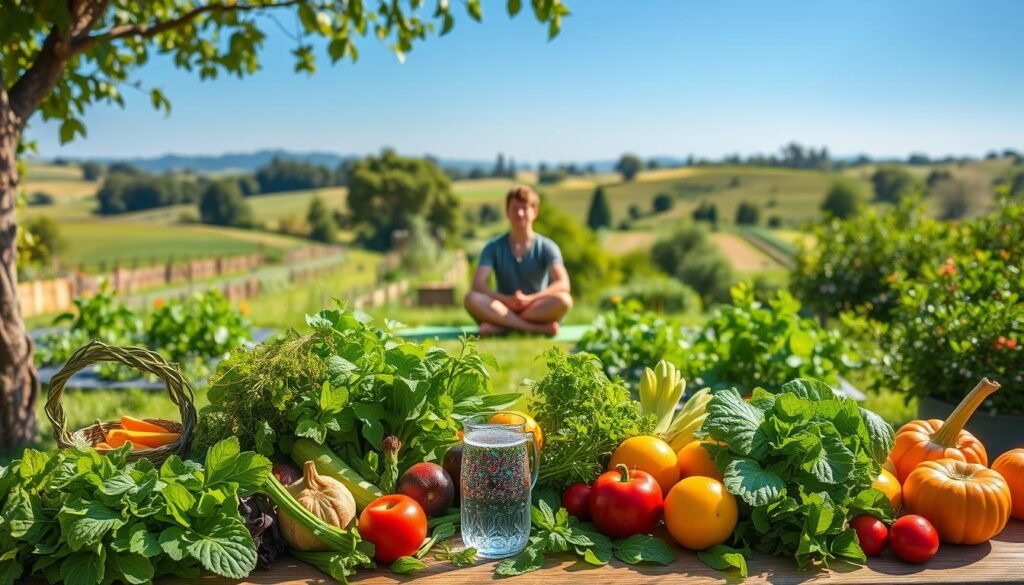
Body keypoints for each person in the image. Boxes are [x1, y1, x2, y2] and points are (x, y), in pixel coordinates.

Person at [464, 185, 573, 336]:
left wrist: (530, 299)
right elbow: (478, 285)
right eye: (515, 208)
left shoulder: (547, 247)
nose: (520, 213)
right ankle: (534, 329)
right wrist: (506, 300)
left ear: (535, 212)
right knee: (471, 299)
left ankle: (502, 327)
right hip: (502, 306)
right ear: (507, 212)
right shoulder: (493, 247)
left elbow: (563, 283)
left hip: (536, 307)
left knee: (564, 300)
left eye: (525, 208)